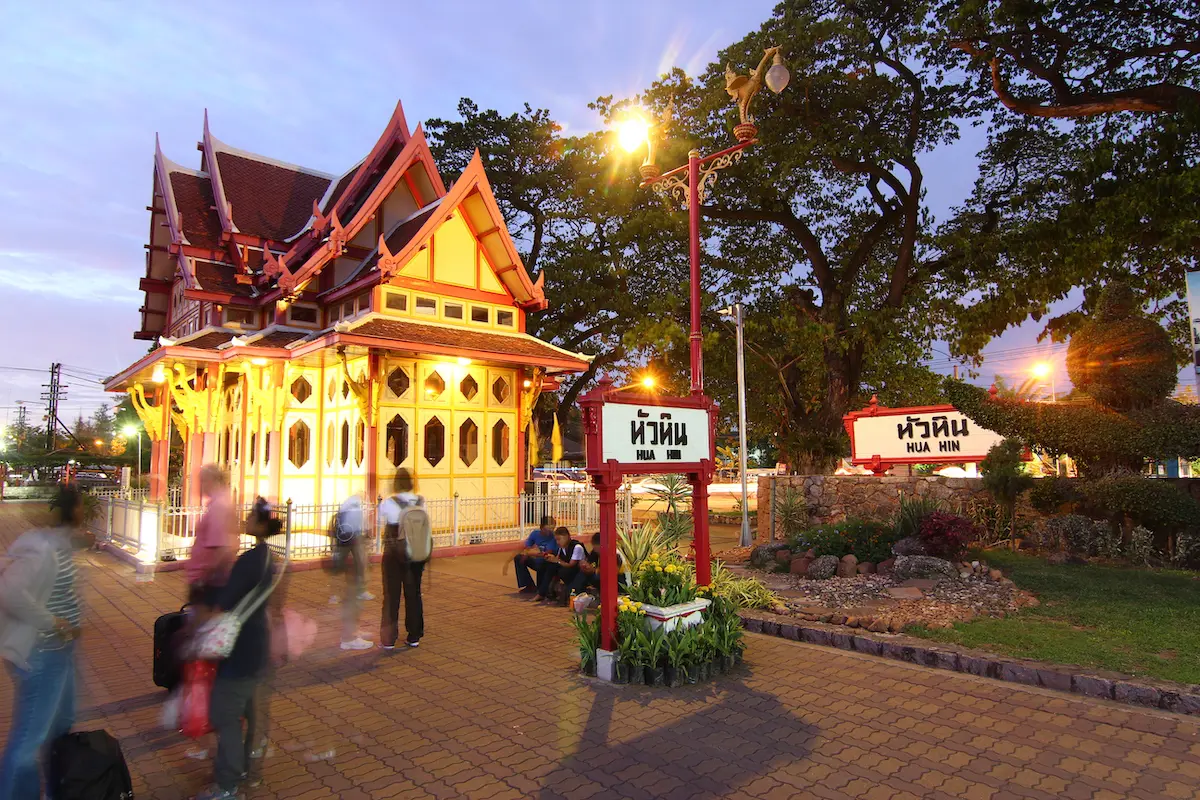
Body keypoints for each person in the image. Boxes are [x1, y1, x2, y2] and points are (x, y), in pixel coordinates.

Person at [0, 483, 91, 800]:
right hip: (41, 651)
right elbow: (10, 593)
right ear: (72, 509)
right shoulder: (41, 548)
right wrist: (54, 622)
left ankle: (56, 790)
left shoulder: (59, 542)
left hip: (60, 651)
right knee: (29, 740)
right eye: (81, 505)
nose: (85, 511)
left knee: (61, 725)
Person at [198, 498, 279, 800]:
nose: (245, 520)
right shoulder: (267, 558)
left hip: (240, 649)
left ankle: (227, 785)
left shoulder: (249, 561)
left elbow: (226, 601)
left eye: (249, 517)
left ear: (259, 524)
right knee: (248, 713)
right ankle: (246, 770)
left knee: (224, 714)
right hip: (257, 645)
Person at [378, 469, 428, 649]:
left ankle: (388, 639)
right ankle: (414, 635)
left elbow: (377, 522)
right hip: (415, 553)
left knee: (391, 595)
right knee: (413, 593)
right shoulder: (421, 501)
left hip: (393, 553)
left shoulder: (388, 502)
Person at [187, 465, 237, 607]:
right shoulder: (219, 503)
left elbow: (220, 548)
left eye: (204, 481)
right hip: (206, 578)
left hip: (207, 580)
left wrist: (205, 580)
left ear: (214, 481)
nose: (201, 485)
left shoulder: (218, 507)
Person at [329, 493, 373, 651]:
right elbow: (360, 530)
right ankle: (349, 637)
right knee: (351, 597)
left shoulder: (348, 508)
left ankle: (353, 631)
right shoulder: (354, 511)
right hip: (350, 563)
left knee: (353, 595)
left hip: (348, 560)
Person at [535, 527, 586, 604]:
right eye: (556, 540)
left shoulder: (577, 547)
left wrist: (557, 561)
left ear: (567, 537)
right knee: (548, 566)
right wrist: (551, 558)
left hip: (578, 572)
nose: (557, 542)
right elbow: (558, 559)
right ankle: (542, 592)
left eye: (559, 539)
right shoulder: (561, 548)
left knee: (561, 570)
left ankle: (551, 593)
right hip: (567, 569)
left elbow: (571, 564)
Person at [512, 516, 556, 594]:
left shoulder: (553, 538)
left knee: (543, 563)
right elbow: (527, 547)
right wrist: (528, 552)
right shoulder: (535, 534)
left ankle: (543, 588)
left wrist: (532, 552)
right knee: (519, 558)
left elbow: (548, 552)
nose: (550, 531)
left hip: (546, 562)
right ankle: (529, 585)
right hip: (535, 560)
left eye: (552, 528)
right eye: (548, 529)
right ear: (541, 527)